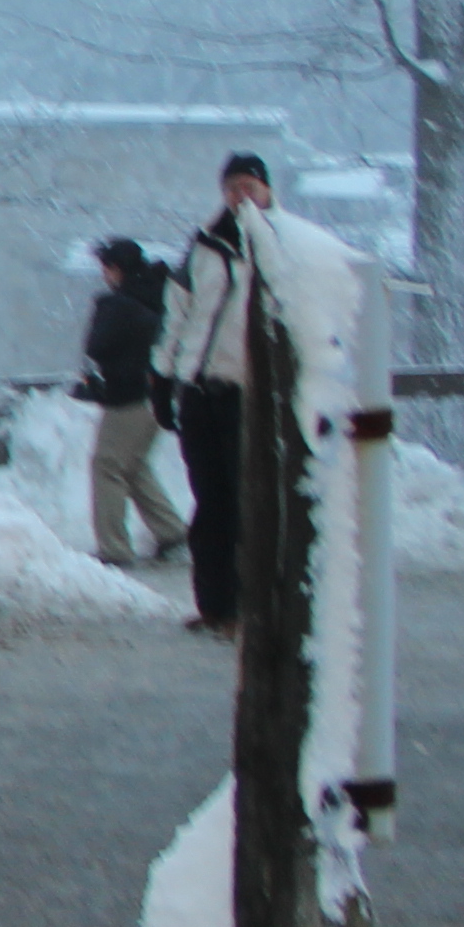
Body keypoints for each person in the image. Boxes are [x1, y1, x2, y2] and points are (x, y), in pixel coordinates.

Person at [154, 154, 275, 632]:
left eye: (249, 186)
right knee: (210, 502)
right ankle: (215, 605)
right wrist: (163, 376)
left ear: (266, 189)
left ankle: (255, 605)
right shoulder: (204, 244)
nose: (241, 196)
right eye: (232, 188)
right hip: (200, 389)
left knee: (249, 501)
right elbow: (177, 311)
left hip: (248, 393)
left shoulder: (280, 244)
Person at [73, 235, 184, 567]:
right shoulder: (161, 294)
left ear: (116, 268)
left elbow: (97, 347)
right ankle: (172, 531)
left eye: (105, 268)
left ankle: (114, 548)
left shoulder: (121, 304)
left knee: (107, 465)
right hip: (159, 392)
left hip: (129, 395)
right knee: (132, 464)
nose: (104, 275)